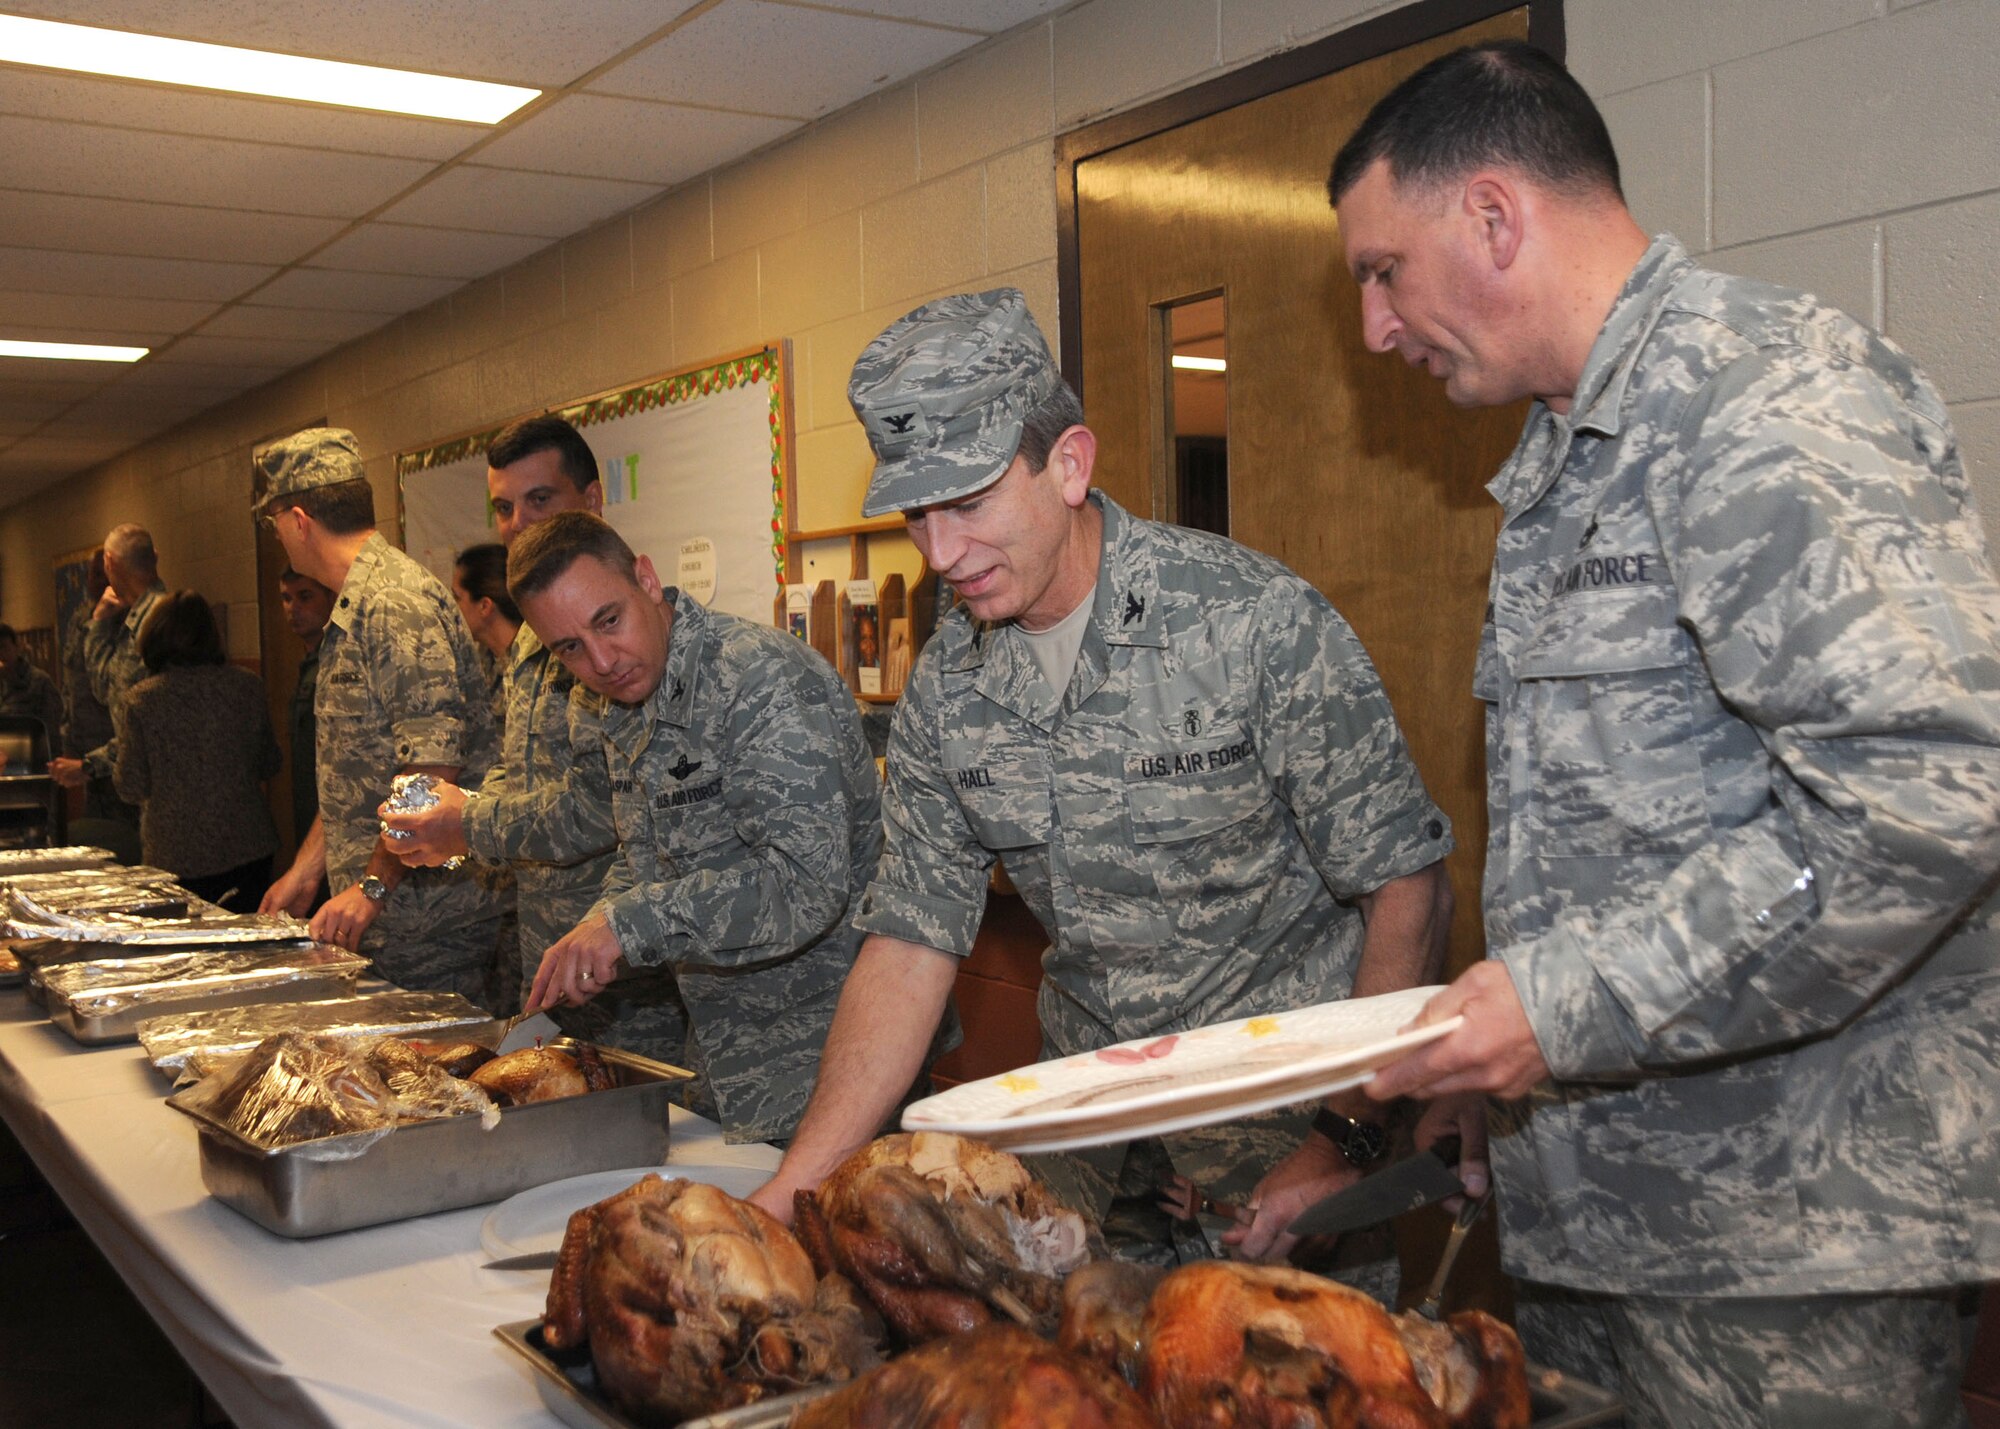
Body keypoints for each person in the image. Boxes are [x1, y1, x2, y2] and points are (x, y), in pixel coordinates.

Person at [1331, 41, 2000, 1428]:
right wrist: (1495, 1067)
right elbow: (1619, 835)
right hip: (1604, 1216)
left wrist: (1560, 1006)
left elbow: (1929, 798)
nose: (1377, 330)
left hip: (1792, 1252)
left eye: (1381, 272)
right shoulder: (1570, 454)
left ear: (1495, 217)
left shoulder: (1763, 402)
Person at [749, 289, 1454, 1278]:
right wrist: (793, 1191)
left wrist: (1348, 1138)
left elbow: (1406, 885)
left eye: (967, 502)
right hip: (1086, 1177)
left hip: (1279, 1163)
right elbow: (910, 942)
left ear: (1068, 464)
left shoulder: (1249, 624)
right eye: (917, 514)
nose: (940, 554)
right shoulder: (949, 688)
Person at [387, 512, 875, 1145]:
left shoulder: (759, 681)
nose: (601, 660)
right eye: (569, 648)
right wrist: (597, 924)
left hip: (832, 1049)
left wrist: (628, 925)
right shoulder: (620, 701)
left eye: (607, 621)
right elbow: (646, 847)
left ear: (646, 578)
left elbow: (803, 883)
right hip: (724, 1047)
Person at [378, 416, 686, 1061]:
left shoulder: (629, 633)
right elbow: (523, 774)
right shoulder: (530, 636)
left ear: (592, 501)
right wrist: (444, 820)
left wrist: (471, 821)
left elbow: (606, 807)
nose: (519, 522)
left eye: (539, 499)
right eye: (503, 507)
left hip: (631, 972)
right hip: (550, 955)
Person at [254, 428, 505, 1006]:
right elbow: (359, 772)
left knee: (430, 1086)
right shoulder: (356, 603)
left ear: (297, 520)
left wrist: (371, 887)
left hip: (427, 919)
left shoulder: (393, 601)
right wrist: (307, 870)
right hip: (386, 912)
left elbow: (431, 770)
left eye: (274, 524)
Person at [112, 591, 280, 911]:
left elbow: (130, 786)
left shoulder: (142, 700)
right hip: (247, 847)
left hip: (174, 854)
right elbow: (269, 762)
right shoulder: (247, 686)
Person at [50, 524, 166, 802]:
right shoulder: (152, 614)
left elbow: (142, 719)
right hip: (127, 771)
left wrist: (90, 765)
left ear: (110, 563)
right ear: (155, 558)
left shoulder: (157, 620)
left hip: (150, 783)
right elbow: (108, 688)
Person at [59, 548, 123, 819]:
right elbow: (71, 679)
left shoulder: (128, 620)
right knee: (97, 829)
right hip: (85, 748)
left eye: (100, 574)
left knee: (122, 832)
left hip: (116, 749)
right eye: (91, 575)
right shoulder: (80, 618)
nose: (93, 582)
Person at [278, 567, 333, 855]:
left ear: (331, 597)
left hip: (334, 819)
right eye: (286, 598)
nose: (293, 608)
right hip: (309, 812)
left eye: (305, 596)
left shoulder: (336, 661)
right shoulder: (310, 663)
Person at [451, 542, 520, 735]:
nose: (451, 608)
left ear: (484, 606)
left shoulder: (530, 667)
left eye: (457, 598)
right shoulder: (481, 659)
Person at [0, 623, 64, 745]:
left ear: (16, 647)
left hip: (29, 755)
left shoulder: (39, 681)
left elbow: (52, 730)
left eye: (4, 647)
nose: (1, 654)